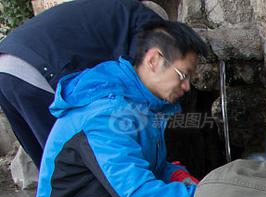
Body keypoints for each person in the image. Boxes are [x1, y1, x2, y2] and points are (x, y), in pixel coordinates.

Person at [33, 21, 208, 197]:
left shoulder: (140, 102)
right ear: (154, 60)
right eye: (183, 75)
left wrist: (184, 178)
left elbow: (155, 167)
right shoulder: (106, 113)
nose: (187, 87)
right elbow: (137, 193)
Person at [0, 0, 168, 167]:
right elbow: (137, 82)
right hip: (37, 67)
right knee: (71, 158)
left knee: (47, 159)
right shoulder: (147, 20)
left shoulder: (112, 12)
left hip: (6, 61)